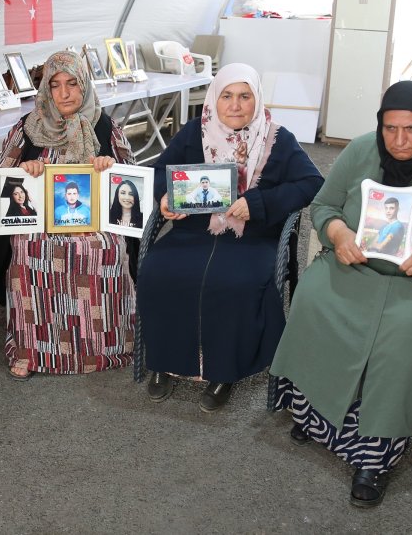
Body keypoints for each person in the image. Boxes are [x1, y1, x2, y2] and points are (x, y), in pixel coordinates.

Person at [270, 81, 412, 507]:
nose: (399, 140)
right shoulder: (361, 151)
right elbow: (324, 205)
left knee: (400, 340)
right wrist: (337, 232)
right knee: (312, 301)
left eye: (411, 129)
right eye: (390, 128)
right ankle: (313, 415)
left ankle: (373, 459)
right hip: (351, 267)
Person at [137, 64, 324, 411]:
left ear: (257, 99)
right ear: (214, 99)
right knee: (160, 270)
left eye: (244, 96)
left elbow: (312, 183)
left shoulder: (276, 138)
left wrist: (259, 203)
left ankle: (225, 370)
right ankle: (164, 361)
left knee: (236, 282)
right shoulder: (195, 132)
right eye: (227, 96)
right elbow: (156, 172)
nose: (235, 105)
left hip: (251, 237)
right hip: (192, 232)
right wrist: (164, 197)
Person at [0, 50, 136, 380]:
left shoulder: (105, 126)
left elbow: (132, 188)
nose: (64, 93)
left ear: (84, 85)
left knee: (105, 249)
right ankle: (31, 349)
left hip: (94, 219)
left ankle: (108, 346)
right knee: (30, 250)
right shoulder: (28, 128)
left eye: (72, 84)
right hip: (39, 221)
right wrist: (24, 173)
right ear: (45, 90)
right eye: (55, 85)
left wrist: (110, 167)